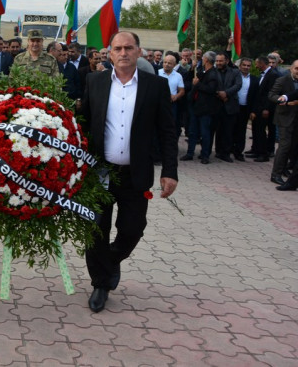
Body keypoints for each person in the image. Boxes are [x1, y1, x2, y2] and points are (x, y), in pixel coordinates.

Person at [81, 31, 178, 313]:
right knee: (95, 229)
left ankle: (110, 261)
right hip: (99, 171)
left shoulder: (156, 85)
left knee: (133, 229)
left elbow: (167, 131)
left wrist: (170, 171)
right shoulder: (95, 81)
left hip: (136, 173)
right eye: (118, 48)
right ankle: (100, 284)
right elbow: (84, 124)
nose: (123, 53)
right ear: (109, 53)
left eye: (128, 48)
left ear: (138, 51)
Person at [181, 51, 219, 164]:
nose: (202, 59)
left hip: (205, 108)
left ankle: (205, 155)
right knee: (192, 132)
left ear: (206, 60)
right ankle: (190, 153)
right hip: (195, 106)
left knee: (205, 132)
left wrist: (197, 84)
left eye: (203, 58)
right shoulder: (203, 71)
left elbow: (211, 89)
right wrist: (192, 68)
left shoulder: (213, 74)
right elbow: (193, 77)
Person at [268, 60, 298, 184]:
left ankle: (285, 168)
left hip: (296, 119)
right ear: (291, 68)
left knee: (293, 146)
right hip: (285, 117)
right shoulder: (282, 80)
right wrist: (282, 101)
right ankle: (276, 174)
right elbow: (272, 95)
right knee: (284, 146)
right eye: (296, 68)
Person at [249, 56, 279, 162]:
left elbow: (271, 93)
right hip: (258, 107)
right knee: (257, 129)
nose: (256, 66)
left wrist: (267, 108)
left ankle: (263, 153)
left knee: (262, 130)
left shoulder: (272, 75)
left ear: (262, 64)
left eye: (257, 63)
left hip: (265, 108)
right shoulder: (263, 74)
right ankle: (256, 150)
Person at [232, 58, 258, 161]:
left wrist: (253, 111)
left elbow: (256, 96)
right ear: (240, 66)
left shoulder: (254, 80)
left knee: (241, 131)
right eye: (244, 65)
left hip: (245, 108)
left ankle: (238, 152)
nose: (246, 67)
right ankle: (227, 149)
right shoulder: (234, 77)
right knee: (231, 129)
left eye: (248, 65)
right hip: (233, 107)